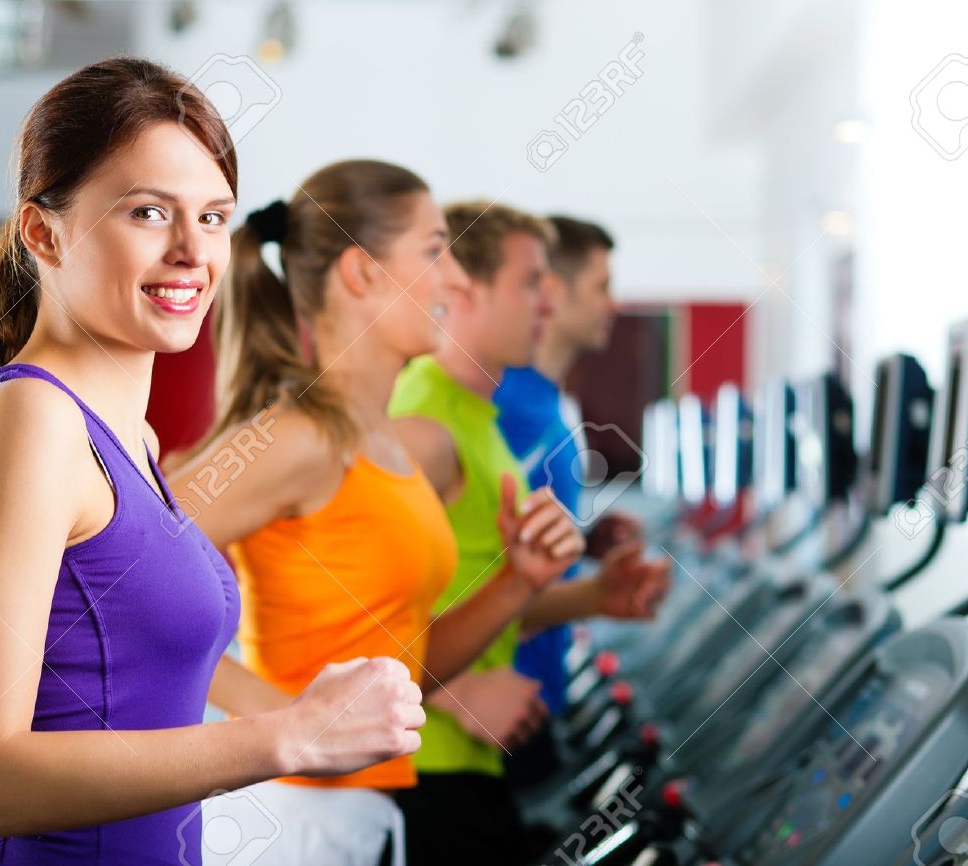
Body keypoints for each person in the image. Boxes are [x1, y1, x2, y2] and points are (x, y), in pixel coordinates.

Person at [0, 57, 424, 866]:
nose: (191, 252)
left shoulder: (125, 441)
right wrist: (286, 738)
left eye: (212, 218)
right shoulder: (30, 421)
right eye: (147, 212)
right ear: (43, 230)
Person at [159, 159, 585, 866]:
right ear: (360, 273)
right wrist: (287, 720)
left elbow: (403, 667)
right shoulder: (301, 437)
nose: (454, 278)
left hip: (363, 816)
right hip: (290, 820)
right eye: (435, 250)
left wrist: (520, 581)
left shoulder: (382, 444)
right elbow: (110, 576)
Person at [387, 202, 668, 865]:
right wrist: (453, 694)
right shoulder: (422, 420)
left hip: (468, 763)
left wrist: (595, 595)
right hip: (425, 762)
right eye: (529, 282)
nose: (547, 301)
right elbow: (337, 602)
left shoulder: (476, 418)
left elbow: (488, 592)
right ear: (462, 286)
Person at [494, 215, 671, 721]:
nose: (613, 304)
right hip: (499, 704)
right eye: (602, 287)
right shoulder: (509, 409)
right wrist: (596, 596)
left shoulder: (551, 407)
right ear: (555, 291)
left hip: (536, 694)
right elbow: (475, 586)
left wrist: (585, 539)